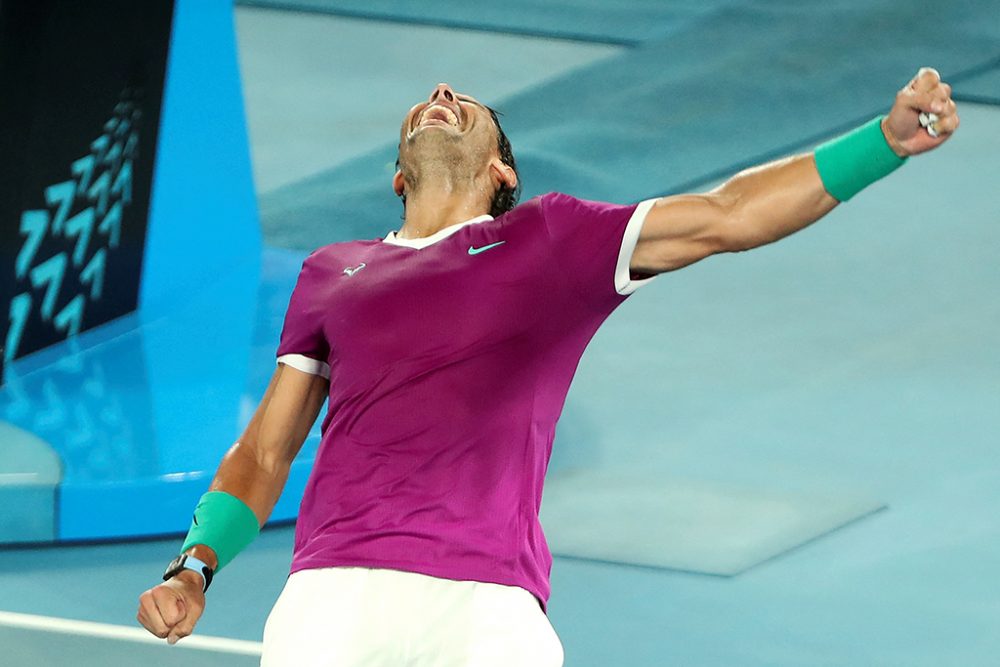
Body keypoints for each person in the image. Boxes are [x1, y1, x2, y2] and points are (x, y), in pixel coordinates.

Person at [138, 68, 958, 665]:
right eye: (426, 105)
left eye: (472, 108)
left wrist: (881, 145)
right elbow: (263, 454)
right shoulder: (331, 270)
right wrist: (195, 566)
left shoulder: (549, 241)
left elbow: (727, 216)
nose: (443, 91)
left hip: (487, 603)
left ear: (504, 173)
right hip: (334, 591)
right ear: (397, 174)